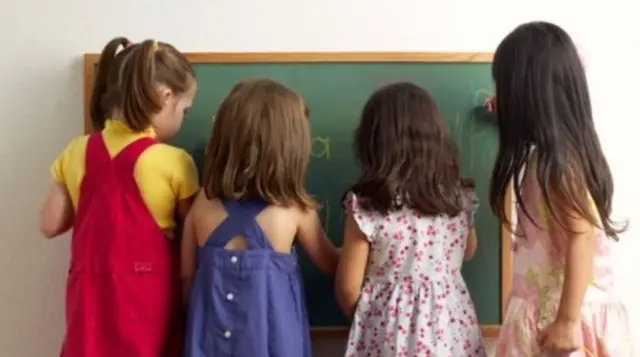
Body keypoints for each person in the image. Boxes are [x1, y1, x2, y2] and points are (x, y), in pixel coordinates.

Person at [38, 37, 199, 357]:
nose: (183, 119)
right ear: (166, 97)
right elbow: (195, 234)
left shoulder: (76, 151)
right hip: (147, 299)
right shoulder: (175, 161)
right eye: (184, 109)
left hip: (89, 298)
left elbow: (49, 224)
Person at [489, 21, 633, 356]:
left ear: (527, 95)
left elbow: (580, 235)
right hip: (549, 309)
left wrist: (567, 321)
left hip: (561, 318)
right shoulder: (555, 156)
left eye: (505, 88)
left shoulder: (558, 165)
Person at [181, 78, 340, 357]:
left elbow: (186, 276)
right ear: (289, 148)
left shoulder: (203, 203)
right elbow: (332, 264)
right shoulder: (294, 208)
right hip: (274, 343)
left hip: (208, 342)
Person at [335, 82, 485, 356]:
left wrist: (374, 315)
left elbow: (348, 289)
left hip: (389, 330)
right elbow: (469, 250)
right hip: (449, 330)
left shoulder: (368, 206)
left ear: (373, 143)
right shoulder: (457, 198)